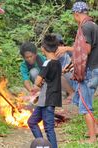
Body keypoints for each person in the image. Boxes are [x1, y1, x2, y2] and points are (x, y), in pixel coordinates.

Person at [56, 1, 98, 143]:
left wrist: (67, 48)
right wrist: (69, 66)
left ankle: (92, 138)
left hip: (90, 71)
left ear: (76, 14)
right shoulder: (93, 25)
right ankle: (95, 129)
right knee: (79, 99)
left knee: (85, 105)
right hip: (94, 69)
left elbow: (85, 50)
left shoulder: (85, 27)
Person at [28, 34, 62, 148]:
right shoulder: (58, 62)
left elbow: (37, 81)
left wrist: (38, 84)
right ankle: (42, 144)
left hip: (48, 99)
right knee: (32, 122)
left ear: (43, 48)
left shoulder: (47, 62)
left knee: (49, 128)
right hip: (45, 100)